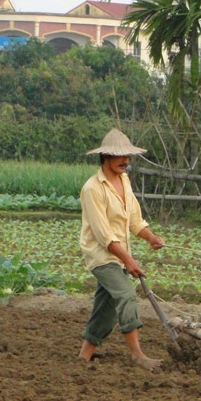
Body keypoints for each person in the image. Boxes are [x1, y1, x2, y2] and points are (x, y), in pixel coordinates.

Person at [78, 128, 165, 371]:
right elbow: (104, 235)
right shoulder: (92, 189)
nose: (125, 161)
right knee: (126, 294)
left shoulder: (124, 181)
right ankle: (137, 354)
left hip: (119, 255)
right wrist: (129, 260)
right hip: (101, 255)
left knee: (106, 308)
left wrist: (151, 237)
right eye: (119, 156)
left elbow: (135, 220)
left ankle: (83, 357)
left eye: (127, 156)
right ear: (105, 157)